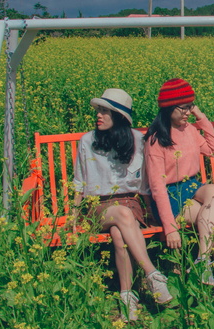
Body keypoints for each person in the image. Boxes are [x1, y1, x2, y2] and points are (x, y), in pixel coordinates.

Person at [143, 78, 214, 309]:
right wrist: (169, 227)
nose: (188, 112)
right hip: (170, 198)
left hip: (190, 187)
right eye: (184, 108)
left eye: (191, 106)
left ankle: (205, 264)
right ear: (168, 108)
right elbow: (157, 187)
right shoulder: (156, 139)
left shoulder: (189, 129)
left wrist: (202, 118)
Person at [72, 88, 172, 321]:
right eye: (98, 111)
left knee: (119, 234)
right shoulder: (87, 140)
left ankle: (127, 296)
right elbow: (79, 182)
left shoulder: (138, 139)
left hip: (129, 204)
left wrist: (150, 212)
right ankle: (152, 275)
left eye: (104, 112)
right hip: (99, 207)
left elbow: (145, 183)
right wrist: (74, 216)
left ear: (119, 116)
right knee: (123, 216)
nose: (98, 116)